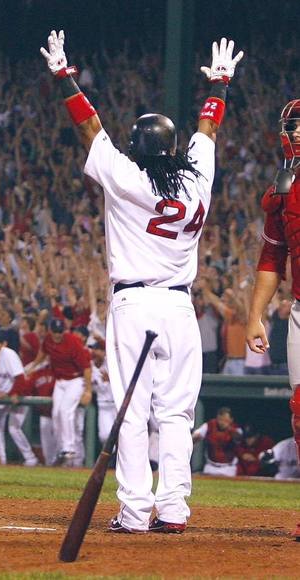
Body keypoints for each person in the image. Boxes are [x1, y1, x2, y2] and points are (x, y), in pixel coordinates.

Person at [41, 31, 243, 531]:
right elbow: (208, 131)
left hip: (134, 304)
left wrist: (65, 77)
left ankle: (134, 511)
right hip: (179, 308)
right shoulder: (197, 179)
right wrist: (219, 85)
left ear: (136, 148)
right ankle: (173, 510)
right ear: (172, 147)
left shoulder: (126, 177)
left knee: (131, 412)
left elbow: (89, 127)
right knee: (176, 414)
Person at [245, 98, 300, 540]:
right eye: (293, 125)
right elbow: (271, 256)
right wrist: (255, 316)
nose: (297, 132)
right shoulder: (282, 188)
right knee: (299, 411)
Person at [27, 318, 91, 467]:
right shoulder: (48, 339)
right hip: (60, 381)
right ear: (50, 330)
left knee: (65, 410)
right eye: (55, 331)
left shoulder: (73, 342)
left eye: (59, 331)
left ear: (64, 330)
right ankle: (61, 447)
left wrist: (88, 390)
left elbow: (87, 368)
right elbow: (43, 353)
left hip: (75, 380)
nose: (57, 334)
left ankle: (69, 448)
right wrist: (33, 366)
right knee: (55, 413)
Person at [0, 332, 38, 466]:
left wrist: (13, 393)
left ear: (1, 344)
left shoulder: (8, 354)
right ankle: (0, 457)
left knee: (13, 428)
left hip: (20, 394)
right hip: (6, 396)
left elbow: (20, 378)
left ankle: (31, 458)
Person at [192, 407, 242, 477]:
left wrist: (229, 429)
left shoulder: (236, 429)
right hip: (210, 467)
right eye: (220, 419)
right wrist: (195, 438)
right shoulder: (210, 425)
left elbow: (239, 439)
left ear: (231, 420)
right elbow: (195, 435)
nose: (222, 423)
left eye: (225, 420)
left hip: (228, 468)